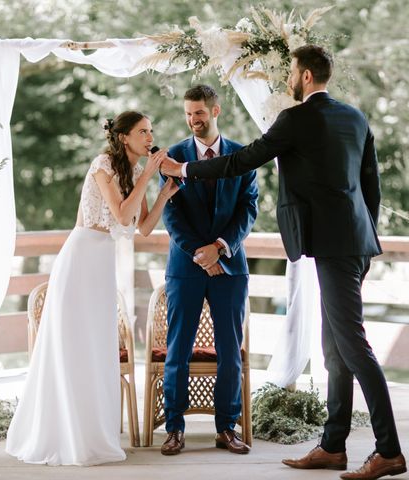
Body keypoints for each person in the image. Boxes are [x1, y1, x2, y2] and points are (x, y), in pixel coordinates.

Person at [159, 46, 406, 480]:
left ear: (307, 76)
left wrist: (184, 172)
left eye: (292, 71)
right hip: (356, 244)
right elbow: (372, 186)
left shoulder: (296, 118)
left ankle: (388, 450)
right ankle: (333, 446)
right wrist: (365, 238)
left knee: (353, 347)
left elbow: (241, 160)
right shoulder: (355, 117)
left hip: (333, 246)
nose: (290, 79)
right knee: (334, 351)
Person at [6, 111, 178, 466]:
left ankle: (92, 433)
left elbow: (142, 227)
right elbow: (119, 214)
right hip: (80, 258)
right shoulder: (103, 165)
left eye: (152, 131)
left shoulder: (135, 174)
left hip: (102, 265)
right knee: (72, 344)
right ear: (124, 138)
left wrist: (162, 192)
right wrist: (148, 174)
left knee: (96, 345)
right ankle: (65, 435)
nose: (150, 138)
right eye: (143, 132)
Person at [159, 85, 258, 456]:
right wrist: (199, 254)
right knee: (177, 351)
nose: (193, 119)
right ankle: (174, 428)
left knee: (230, 351)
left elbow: (248, 209)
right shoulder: (173, 158)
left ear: (216, 111)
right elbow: (170, 214)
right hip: (185, 268)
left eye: (199, 112)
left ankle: (227, 428)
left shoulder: (241, 156)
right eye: (188, 113)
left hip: (230, 267)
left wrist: (219, 249)